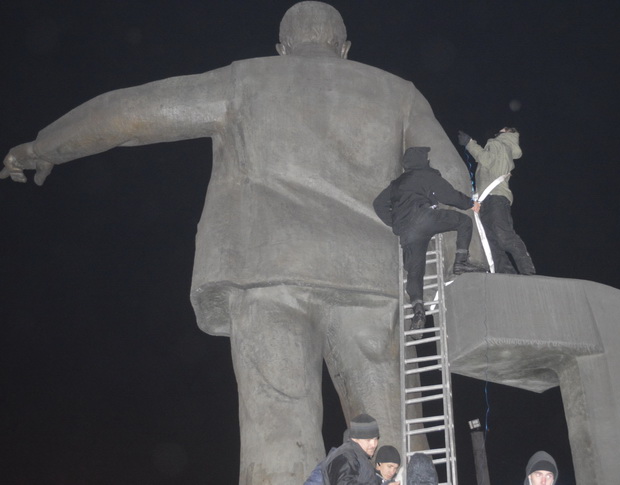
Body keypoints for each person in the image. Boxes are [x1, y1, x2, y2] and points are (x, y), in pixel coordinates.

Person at [2, 2, 468, 483]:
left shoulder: (245, 81)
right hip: (371, 281)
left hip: (265, 275)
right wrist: (446, 268)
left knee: (278, 426)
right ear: (345, 50)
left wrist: (43, 147)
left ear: (282, 49)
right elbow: (452, 181)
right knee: (392, 434)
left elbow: (131, 114)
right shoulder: (398, 95)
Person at [373, 146, 486, 332]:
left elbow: (378, 204)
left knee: (415, 272)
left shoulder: (396, 184)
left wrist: (394, 222)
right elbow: (449, 196)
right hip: (424, 219)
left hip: (407, 231)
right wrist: (470, 204)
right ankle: (461, 262)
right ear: (421, 161)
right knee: (464, 222)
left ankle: (418, 309)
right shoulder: (426, 175)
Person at [458, 127, 536, 275]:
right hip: (488, 199)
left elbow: (487, 160)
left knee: (503, 236)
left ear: (508, 132)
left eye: (504, 128)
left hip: (495, 197)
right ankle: (506, 275)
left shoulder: (499, 144)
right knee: (491, 242)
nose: (499, 129)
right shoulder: (501, 146)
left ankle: (527, 271)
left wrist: (469, 143)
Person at [323, 414, 380, 485]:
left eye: (376, 439)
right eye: (368, 440)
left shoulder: (356, 456)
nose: (374, 444)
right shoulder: (345, 457)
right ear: (355, 438)